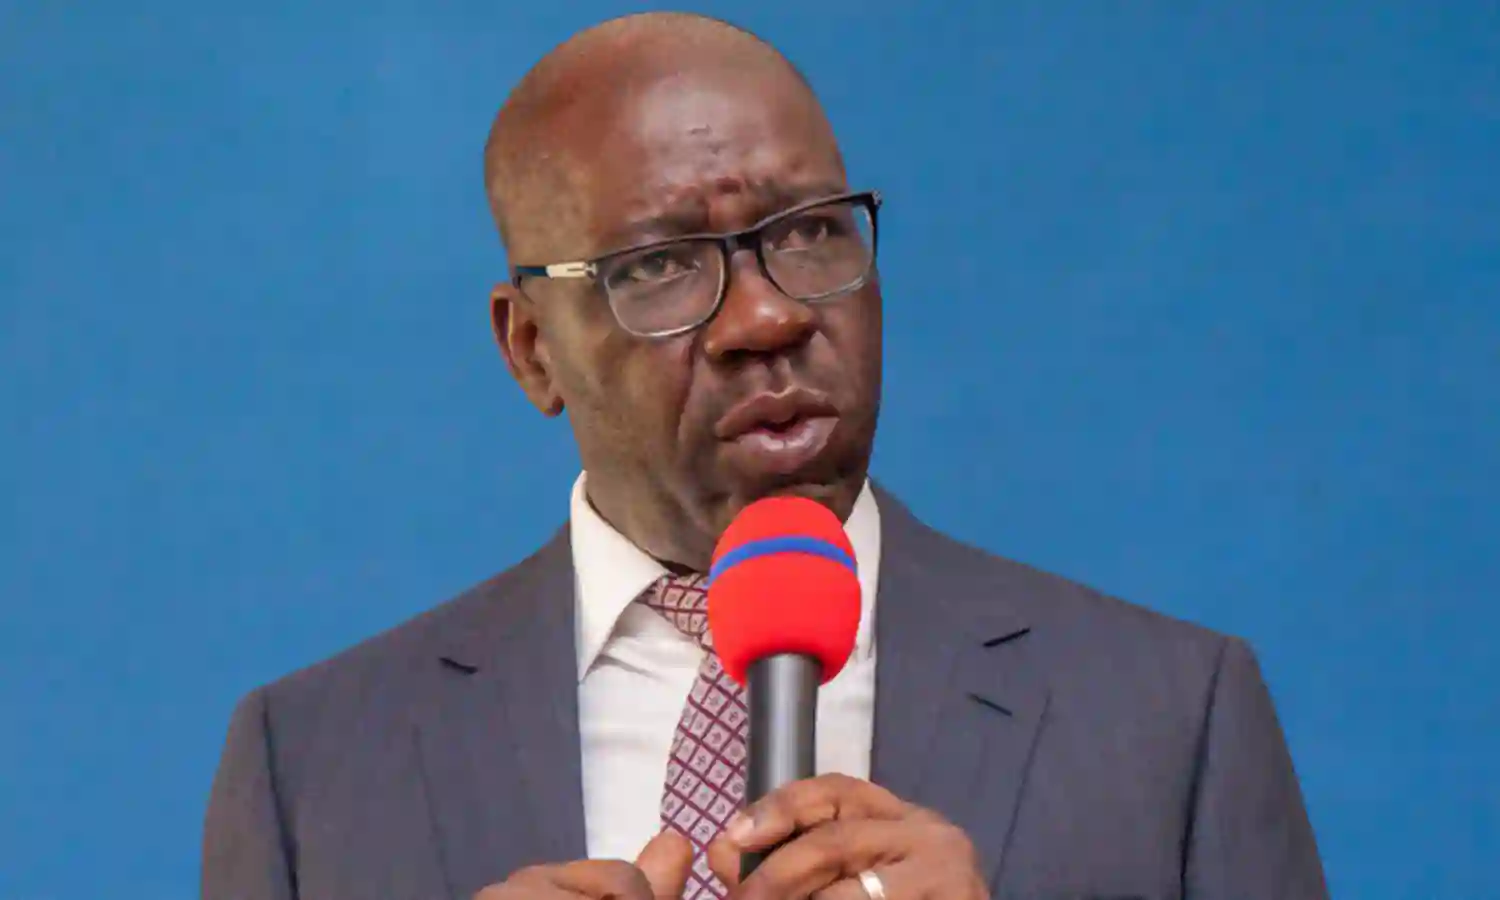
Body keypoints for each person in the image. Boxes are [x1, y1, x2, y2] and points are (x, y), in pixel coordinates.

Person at [202, 12, 1328, 900]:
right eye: (660, 266)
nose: (768, 317)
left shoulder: (1170, 718)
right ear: (533, 349)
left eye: (809, 233)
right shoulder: (311, 770)